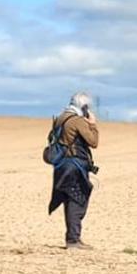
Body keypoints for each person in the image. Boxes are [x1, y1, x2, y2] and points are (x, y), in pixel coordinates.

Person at [46, 93, 99, 249]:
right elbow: (93, 142)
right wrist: (93, 124)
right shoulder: (76, 121)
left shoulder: (61, 118)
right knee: (78, 199)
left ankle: (72, 237)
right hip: (74, 165)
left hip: (62, 165)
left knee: (70, 199)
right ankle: (73, 239)